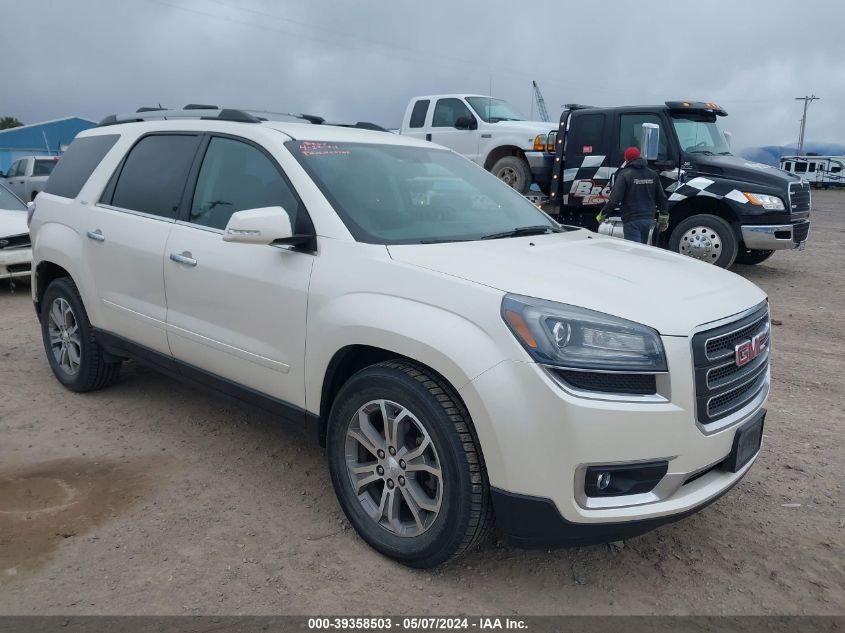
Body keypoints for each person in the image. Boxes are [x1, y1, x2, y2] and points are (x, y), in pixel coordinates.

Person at [597, 147, 669, 244]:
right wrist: (664, 218)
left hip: (632, 220)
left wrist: (602, 214)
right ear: (639, 157)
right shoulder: (652, 174)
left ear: (626, 159)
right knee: (642, 250)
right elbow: (661, 198)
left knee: (634, 251)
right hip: (648, 219)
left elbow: (615, 200)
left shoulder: (625, 174)